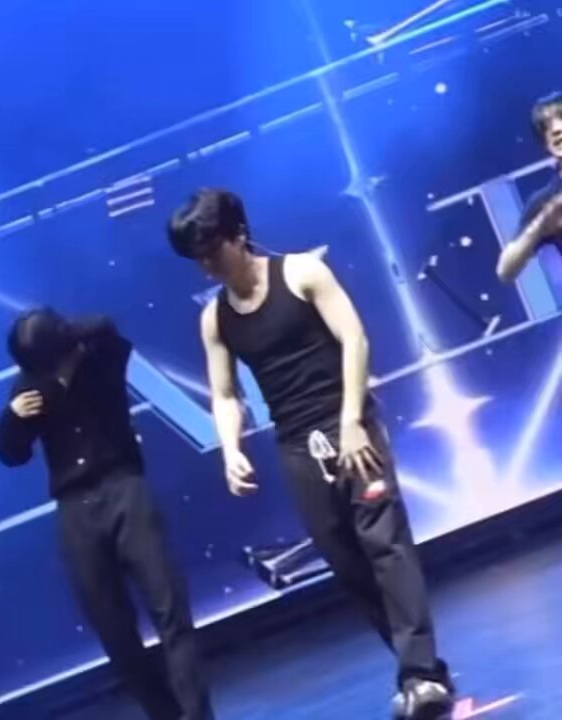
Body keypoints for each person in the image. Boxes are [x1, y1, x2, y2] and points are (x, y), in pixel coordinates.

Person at [167, 189, 455, 720]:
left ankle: (419, 674)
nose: (206, 265)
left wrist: (352, 419)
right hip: (297, 444)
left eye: (211, 251)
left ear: (237, 235)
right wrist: (230, 449)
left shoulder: (301, 273)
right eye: (197, 258)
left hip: (349, 423)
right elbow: (225, 394)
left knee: (385, 544)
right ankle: (423, 671)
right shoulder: (216, 319)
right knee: (346, 561)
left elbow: (354, 339)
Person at [0, 308, 214, 720]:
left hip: (123, 488)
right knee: (113, 630)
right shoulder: (29, 386)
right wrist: (13, 419)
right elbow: (11, 454)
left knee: (169, 608)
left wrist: (68, 341)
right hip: (75, 508)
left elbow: (105, 325)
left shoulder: (100, 356)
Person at [497, 91, 562, 282]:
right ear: (545, 143)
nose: (556, 129)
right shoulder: (545, 201)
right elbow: (505, 271)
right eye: (546, 126)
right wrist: (540, 224)